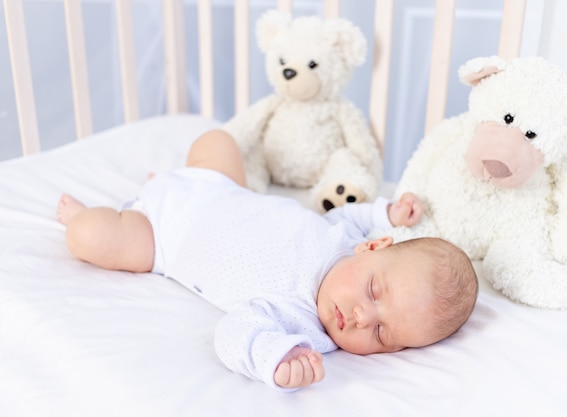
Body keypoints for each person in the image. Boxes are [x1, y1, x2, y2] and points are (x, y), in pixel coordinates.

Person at [56, 129, 478, 391]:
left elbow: (233, 332)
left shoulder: (302, 326)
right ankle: (170, 180)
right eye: (372, 291)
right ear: (373, 248)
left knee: (89, 236)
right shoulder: (349, 238)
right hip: (220, 189)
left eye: (382, 333)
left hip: (161, 234)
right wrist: (384, 212)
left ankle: (97, 213)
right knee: (215, 141)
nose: (361, 317)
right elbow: (346, 213)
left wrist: (276, 358)